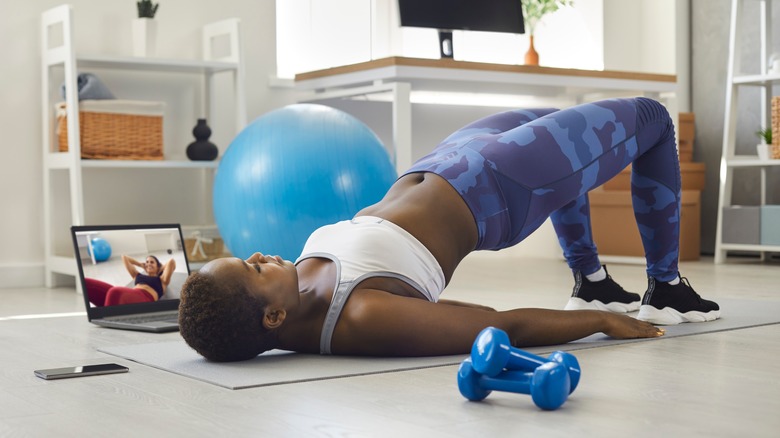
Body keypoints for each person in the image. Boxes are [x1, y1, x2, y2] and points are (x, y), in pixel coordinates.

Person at [179, 97, 720, 362]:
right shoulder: (362, 316)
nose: (256, 254)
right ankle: (666, 284)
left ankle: (591, 277)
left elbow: (215, 309)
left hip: (448, 159)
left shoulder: (289, 294)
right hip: (503, 185)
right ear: (272, 317)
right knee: (651, 119)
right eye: (251, 268)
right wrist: (601, 324)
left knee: (570, 121)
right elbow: (500, 324)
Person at [86, 255, 176, 306]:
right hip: (129, 296)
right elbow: (124, 257)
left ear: (158, 266)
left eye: (152, 262)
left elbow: (171, 262)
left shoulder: (162, 280)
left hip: (145, 298)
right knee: (86, 283)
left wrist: (160, 269)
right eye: (147, 262)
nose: (148, 264)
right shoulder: (138, 275)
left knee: (114, 291)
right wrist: (140, 264)